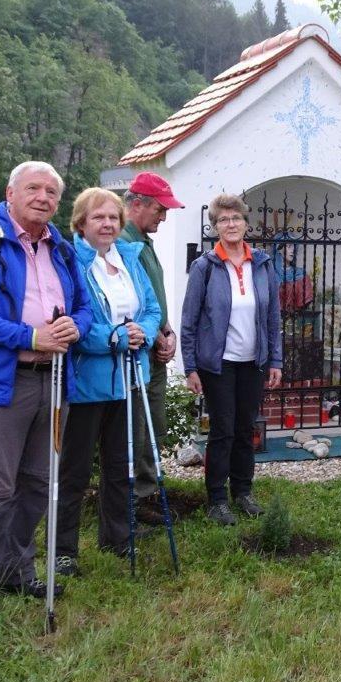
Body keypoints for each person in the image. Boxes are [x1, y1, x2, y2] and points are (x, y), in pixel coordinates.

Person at [0, 161, 92, 624]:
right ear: (10, 193)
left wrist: (74, 327)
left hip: (54, 380)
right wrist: (29, 337)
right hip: (0, 381)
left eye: (52, 191)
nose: (43, 197)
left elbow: (84, 307)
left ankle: (15, 569)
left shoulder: (61, 248)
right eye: (33, 188)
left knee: (37, 484)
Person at [54, 189, 161, 574]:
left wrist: (143, 332)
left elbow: (152, 308)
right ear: (81, 222)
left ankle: (117, 537)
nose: (107, 224)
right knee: (75, 469)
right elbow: (72, 321)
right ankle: (63, 549)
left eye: (113, 218)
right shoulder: (71, 261)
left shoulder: (129, 258)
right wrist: (114, 337)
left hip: (130, 379)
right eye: (98, 217)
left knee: (120, 463)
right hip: (88, 382)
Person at [181, 194, 282, 525]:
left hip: (253, 363)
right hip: (219, 364)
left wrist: (275, 360)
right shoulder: (205, 267)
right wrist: (190, 366)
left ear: (246, 223)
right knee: (222, 430)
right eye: (223, 220)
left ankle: (243, 492)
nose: (231, 224)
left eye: (236, 218)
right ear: (215, 227)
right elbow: (189, 320)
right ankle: (217, 499)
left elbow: (273, 317)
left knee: (245, 429)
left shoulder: (263, 265)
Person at [118, 172, 184, 525]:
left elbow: (153, 296)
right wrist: (156, 335)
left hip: (155, 347)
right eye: (160, 209)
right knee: (134, 428)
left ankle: (145, 494)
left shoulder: (144, 240)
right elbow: (127, 300)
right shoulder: (120, 242)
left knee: (152, 424)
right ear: (137, 204)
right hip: (135, 350)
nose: (164, 217)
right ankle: (128, 501)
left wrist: (168, 331)